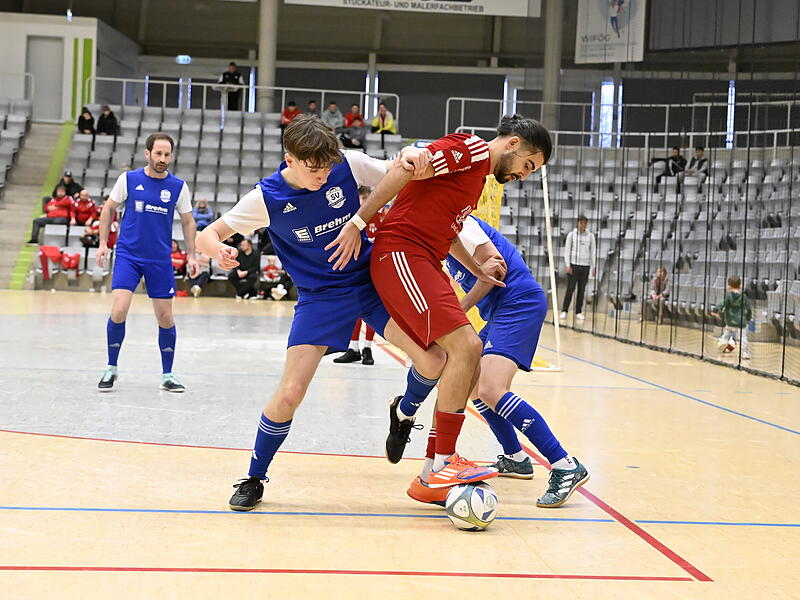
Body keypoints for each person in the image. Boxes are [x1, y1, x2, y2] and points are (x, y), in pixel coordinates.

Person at [195, 115, 491, 512]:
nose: (323, 176)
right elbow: (206, 235)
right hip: (320, 298)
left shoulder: (347, 164)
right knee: (290, 394)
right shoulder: (265, 199)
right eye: (314, 170)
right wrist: (219, 250)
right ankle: (254, 475)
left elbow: (401, 175)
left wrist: (413, 156)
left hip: (371, 282)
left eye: (327, 168)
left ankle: (402, 413)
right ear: (291, 160)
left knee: (435, 360)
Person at [326, 114, 552, 490]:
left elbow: (447, 234)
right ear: (512, 144)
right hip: (402, 253)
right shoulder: (473, 149)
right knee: (467, 347)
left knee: (450, 357)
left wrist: (477, 269)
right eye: (528, 165)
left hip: (425, 260)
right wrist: (358, 222)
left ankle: (434, 461)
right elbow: (406, 168)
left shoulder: (476, 179)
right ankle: (441, 462)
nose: (524, 175)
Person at [408, 215, 589, 507]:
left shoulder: (461, 224)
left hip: (518, 303)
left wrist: (456, 313)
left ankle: (564, 464)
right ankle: (516, 458)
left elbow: (495, 272)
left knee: (492, 388)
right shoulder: (442, 236)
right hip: (500, 311)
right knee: (475, 383)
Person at [95, 132, 199, 393]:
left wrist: (192, 255)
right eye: (158, 154)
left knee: (165, 317)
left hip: (159, 259)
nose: (162, 159)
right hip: (129, 256)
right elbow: (108, 209)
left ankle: (167, 375)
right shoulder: (129, 179)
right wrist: (103, 243)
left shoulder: (178, 187)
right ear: (147, 154)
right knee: (119, 310)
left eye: (167, 154)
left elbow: (188, 221)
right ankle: (111, 368)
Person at [332, 186, 384, 366]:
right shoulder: (350, 215)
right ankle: (353, 348)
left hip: (375, 264)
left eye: (365, 199)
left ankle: (367, 348)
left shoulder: (381, 214)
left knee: (372, 306)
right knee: (355, 306)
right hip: (356, 264)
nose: (363, 203)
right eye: (360, 199)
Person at [560, 216, 596, 321]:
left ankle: (578, 312)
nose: (583, 225)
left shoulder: (591, 236)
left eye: (584, 223)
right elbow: (567, 250)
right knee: (570, 289)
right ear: (578, 223)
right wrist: (568, 265)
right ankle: (564, 310)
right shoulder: (572, 235)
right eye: (581, 223)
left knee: (581, 290)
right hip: (573, 265)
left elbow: (593, 251)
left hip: (585, 266)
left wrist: (594, 266)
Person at [711, 275, 752, 360]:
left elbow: (723, 303)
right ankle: (745, 353)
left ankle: (723, 341)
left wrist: (715, 310)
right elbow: (748, 308)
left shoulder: (728, 295)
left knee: (727, 333)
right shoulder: (744, 296)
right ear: (740, 286)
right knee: (743, 337)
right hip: (741, 321)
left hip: (730, 320)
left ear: (729, 285)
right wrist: (748, 318)